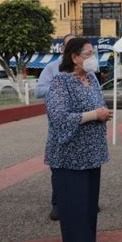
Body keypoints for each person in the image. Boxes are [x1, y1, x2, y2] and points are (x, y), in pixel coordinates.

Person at [45, 37, 112, 242]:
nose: (93, 58)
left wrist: (102, 114)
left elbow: (98, 104)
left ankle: (88, 241)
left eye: (93, 53)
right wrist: (94, 115)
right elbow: (59, 118)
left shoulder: (92, 78)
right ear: (74, 57)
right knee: (73, 206)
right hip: (69, 156)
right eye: (88, 54)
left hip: (92, 153)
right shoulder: (60, 82)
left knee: (90, 203)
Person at [35, 33, 75, 221]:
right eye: (69, 45)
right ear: (62, 48)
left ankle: (82, 201)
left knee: (81, 168)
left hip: (82, 126)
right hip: (59, 125)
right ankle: (57, 204)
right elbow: (38, 91)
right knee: (58, 167)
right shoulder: (52, 68)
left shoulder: (84, 69)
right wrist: (60, 87)